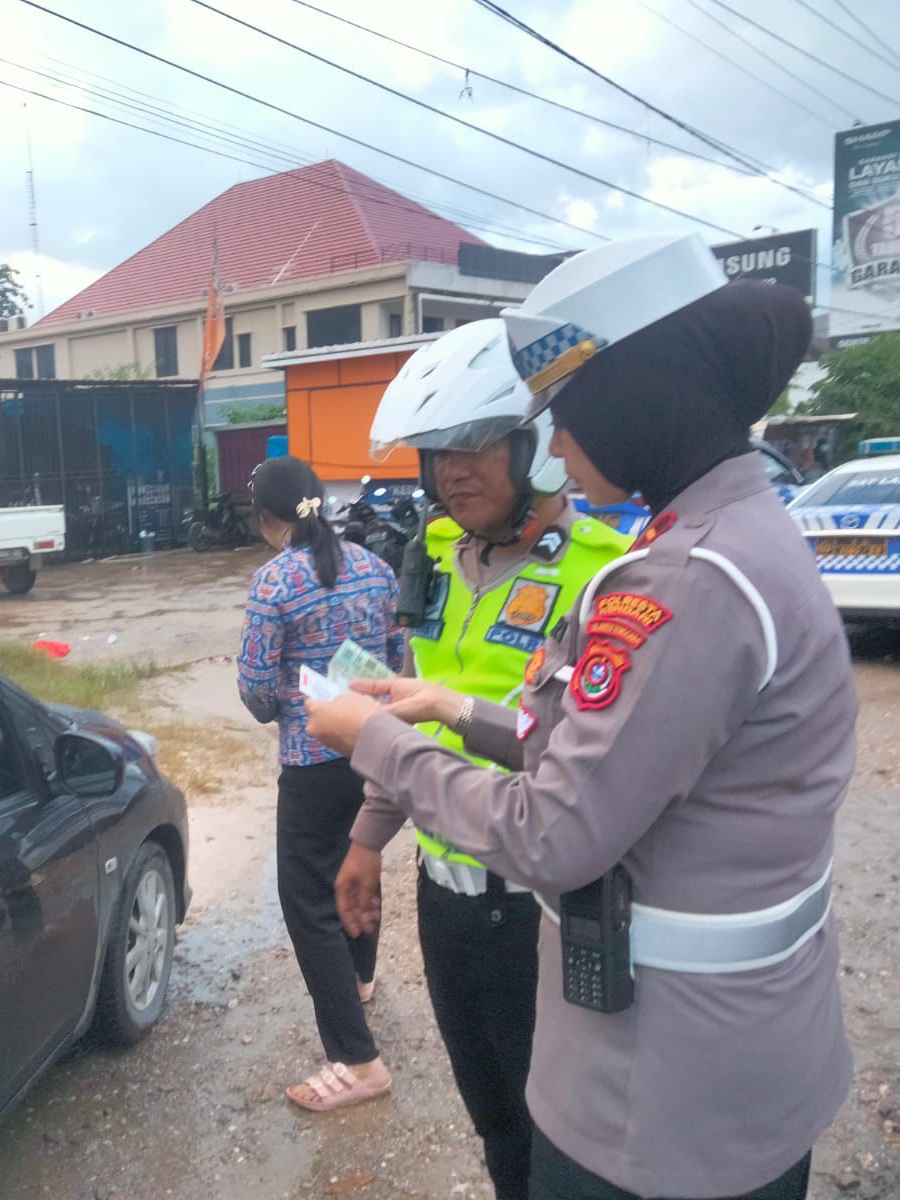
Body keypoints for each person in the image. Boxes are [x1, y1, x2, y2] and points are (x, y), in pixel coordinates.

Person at [307, 234, 854, 1200]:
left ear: (638, 401)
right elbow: (614, 751)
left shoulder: (684, 581)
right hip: (720, 1056)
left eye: (567, 415)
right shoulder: (735, 536)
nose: (555, 445)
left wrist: (379, 741)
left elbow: (554, 828)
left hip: (660, 1095)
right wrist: (447, 710)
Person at [364, 321, 630, 1198]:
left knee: (558, 1123)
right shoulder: (436, 555)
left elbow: (585, 764)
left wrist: (449, 711)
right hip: (444, 894)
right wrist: (369, 840)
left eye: (479, 443)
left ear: (541, 449)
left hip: (542, 910)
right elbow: (411, 696)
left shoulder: (609, 578)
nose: (454, 469)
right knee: (490, 1110)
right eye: (438, 448)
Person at [235, 454, 403, 1112]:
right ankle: (360, 978)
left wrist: (288, 703)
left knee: (308, 901)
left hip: (310, 765)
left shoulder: (273, 582)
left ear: (269, 519)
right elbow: (394, 661)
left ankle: (356, 1060)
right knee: (361, 863)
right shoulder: (375, 566)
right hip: (373, 753)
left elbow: (253, 690)